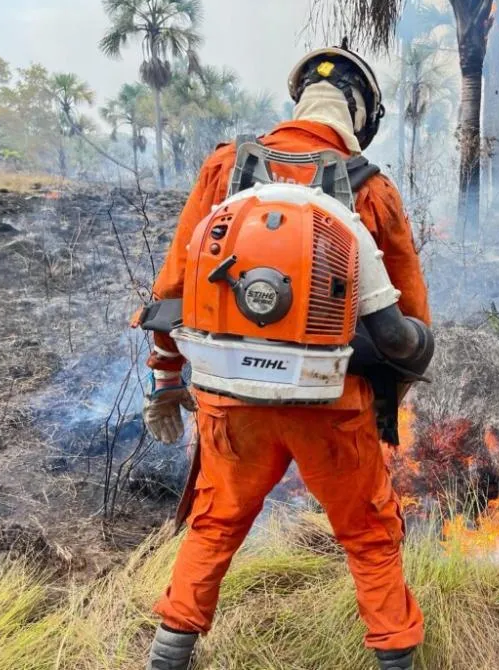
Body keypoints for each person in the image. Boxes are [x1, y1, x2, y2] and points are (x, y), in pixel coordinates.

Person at [142, 43, 431, 670]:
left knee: (215, 524)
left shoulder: (226, 170)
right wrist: (385, 406)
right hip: (332, 401)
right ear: (360, 115)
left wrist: (166, 380)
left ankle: (167, 655)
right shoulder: (372, 190)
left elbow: (173, 290)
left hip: (229, 399)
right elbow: (408, 328)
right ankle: (397, 658)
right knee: (370, 536)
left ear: (296, 101)